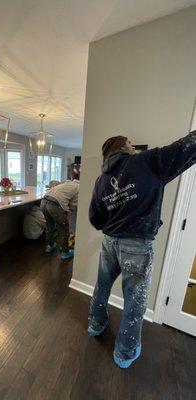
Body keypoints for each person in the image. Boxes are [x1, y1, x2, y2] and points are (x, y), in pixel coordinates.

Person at [88, 130, 196, 369]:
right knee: (135, 300)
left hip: (109, 241)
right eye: (130, 144)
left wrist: (114, 222)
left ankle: (95, 324)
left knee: (102, 284)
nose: (133, 148)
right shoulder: (147, 161)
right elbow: (184, 147)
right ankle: (125, 353)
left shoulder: (101, 179)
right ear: (123, 147)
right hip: (136, 245)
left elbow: (95, 218)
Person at [41, 171, 80, 260]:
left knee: (49, 226)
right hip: (54, 205)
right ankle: (64, 252)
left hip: (43, 201)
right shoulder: (79, 187)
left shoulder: (67, 183)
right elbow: (74, 205)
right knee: (64, 228)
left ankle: (49, 246)